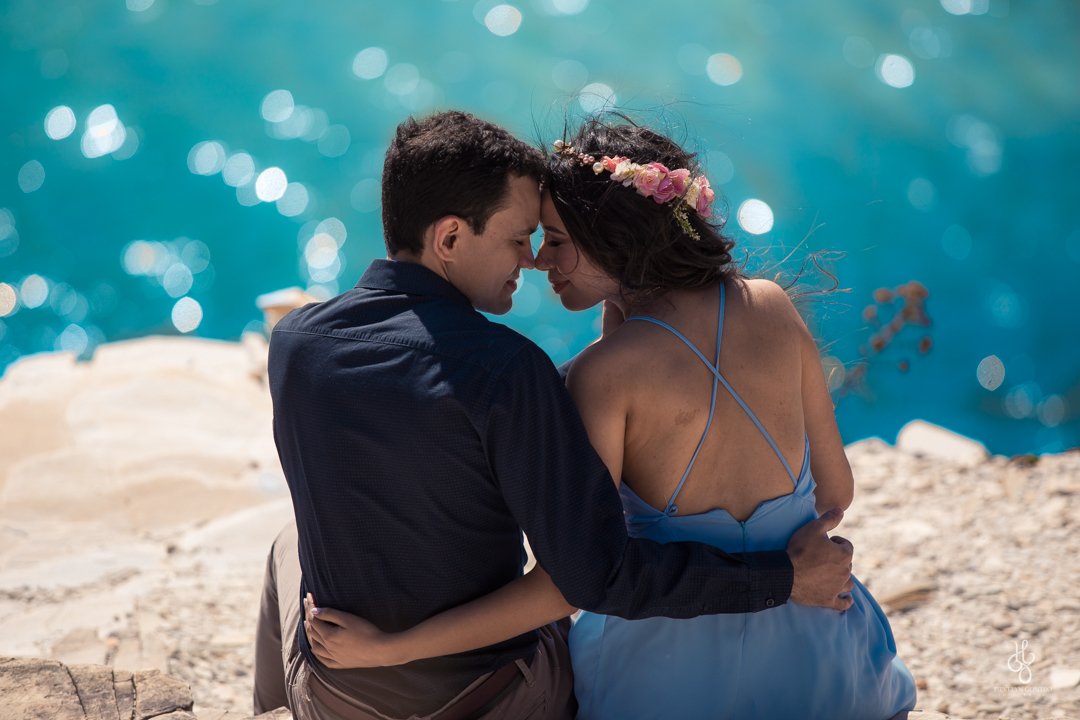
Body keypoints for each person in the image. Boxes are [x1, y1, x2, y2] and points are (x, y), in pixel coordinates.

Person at [300, 116, 917, 720]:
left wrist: (392, 650)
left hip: (668, 677)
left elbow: (572, 581)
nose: (540, 261)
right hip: (822, 661)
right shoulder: (772, 305)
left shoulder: (603, 377)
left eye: (557, 241)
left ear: (617, 240)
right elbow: (836, 491)